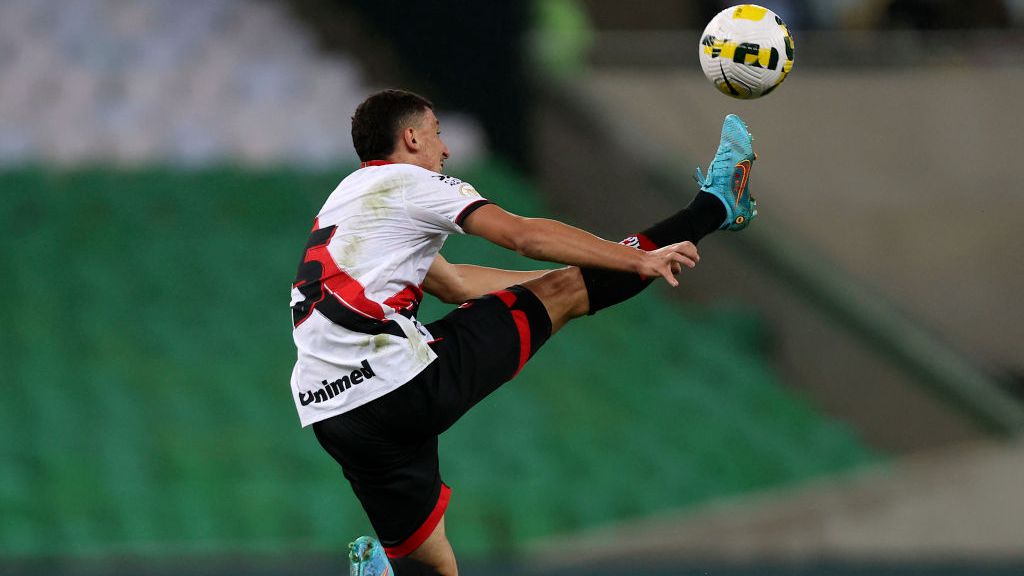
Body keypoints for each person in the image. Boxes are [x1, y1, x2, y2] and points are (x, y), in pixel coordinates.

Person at [288, 89, 757, 576]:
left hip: (334, 413)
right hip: (399, 385)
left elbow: (456, 285)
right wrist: (633, 260)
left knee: (432, 567)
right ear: (410, 138)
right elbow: (524, 236)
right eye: (436, 134)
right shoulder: (410, 182)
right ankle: (717, 204)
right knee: (568, 290)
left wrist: (574, 282)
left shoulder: (350, 202)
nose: (444, 149)